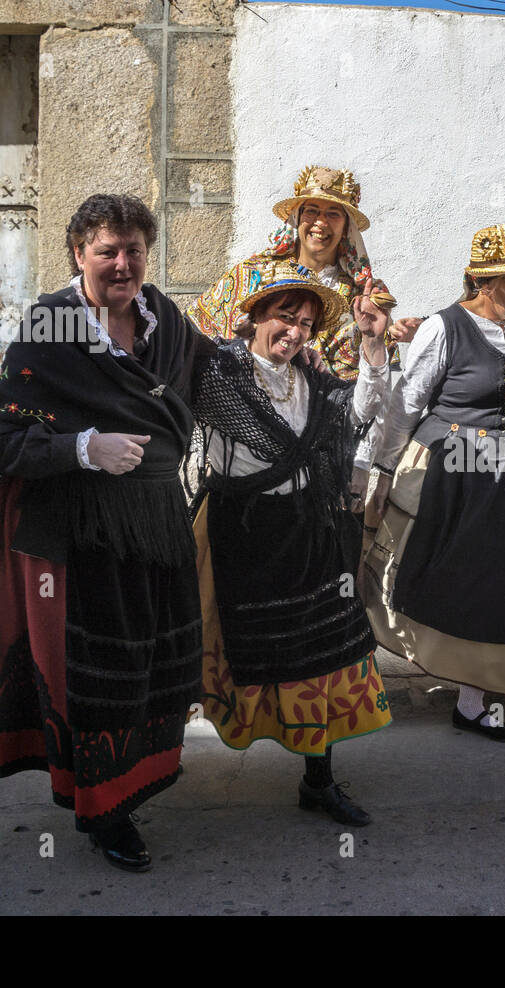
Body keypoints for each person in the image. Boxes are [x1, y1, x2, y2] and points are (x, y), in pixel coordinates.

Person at [0, 194, 207, 873]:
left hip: (156, 526)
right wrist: (84, 449)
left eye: (134, 251)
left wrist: (304, 368)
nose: (122, 265)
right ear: (78, 254)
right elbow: (1, 437)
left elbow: (217, 380)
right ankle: (105, 811)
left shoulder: (169, 322)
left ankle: (135, 781)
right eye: (106, 252)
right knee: (102, 676)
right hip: (83, 537)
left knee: (152, 667)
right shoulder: (53, 327)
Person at [191, 260, 393, 825]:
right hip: (240, 532)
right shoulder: (219, 379)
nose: (296, 331)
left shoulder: (315, 382)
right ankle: (159, 760)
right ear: (253, 317)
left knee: (321, 652)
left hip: (308, 531)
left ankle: (318, 780)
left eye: (305, 322)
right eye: (285, 317)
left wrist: (373, 347)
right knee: (214, 645)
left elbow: (362, 411)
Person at [364, 223, 505, 742]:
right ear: (481, 280)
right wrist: (382, 470)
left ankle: (472, 703)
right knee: (421, 571)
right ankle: (361, 681)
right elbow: (406, 406)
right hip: (450, 465)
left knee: (499, 587)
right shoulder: (444, 327)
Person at [187, 165, 399, 500]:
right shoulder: (251, 276)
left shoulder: (366, 298)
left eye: (333, 213)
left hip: (329, 453)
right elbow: (196, 343)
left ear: (346, 227)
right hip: (245, 451)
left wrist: (360, 463)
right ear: (296, 218)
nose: (320, 222)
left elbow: (373, 390)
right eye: (311, 210)